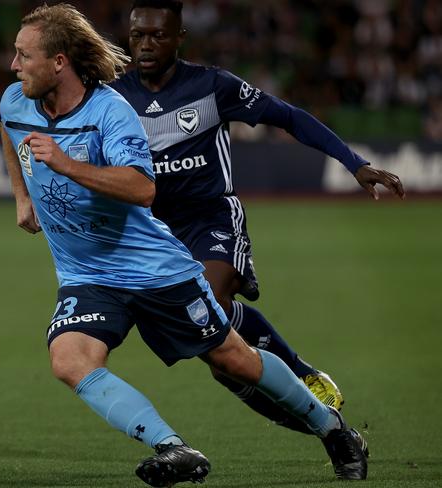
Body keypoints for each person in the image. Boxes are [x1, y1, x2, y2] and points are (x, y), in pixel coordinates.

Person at [0, 3, 368, 486]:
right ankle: (173, 448)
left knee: (231, 358)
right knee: (69, 360)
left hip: (154, 269)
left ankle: (334, 429)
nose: (13, 65)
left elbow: (141, 188)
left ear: (60, 62)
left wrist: (67, 165)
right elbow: (9, 129)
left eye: (24, 55)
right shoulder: (16, 100)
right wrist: (21, 196)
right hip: (87, 274)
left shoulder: (112, 112)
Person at [110, 0, 405, 434]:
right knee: (217, 351)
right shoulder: (113, 97)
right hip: (154, 232)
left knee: (208, 301)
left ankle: (302, 374)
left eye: (158, 35)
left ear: (179, 38)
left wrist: (354, 162)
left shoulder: (213, 86)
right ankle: (323, 426)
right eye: (138, 35)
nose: (146, 44)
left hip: (211, 217)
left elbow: (288, 117)